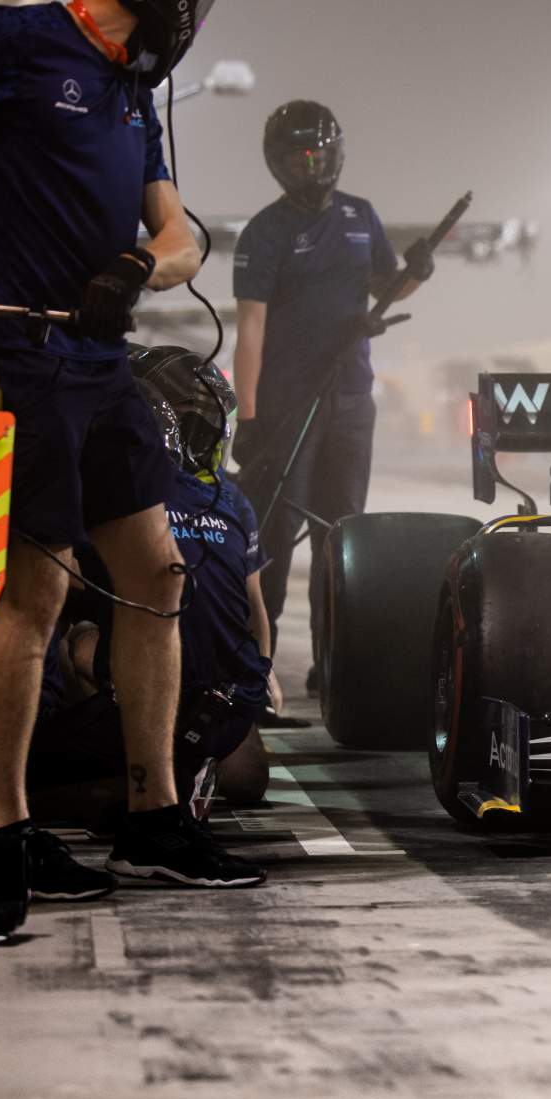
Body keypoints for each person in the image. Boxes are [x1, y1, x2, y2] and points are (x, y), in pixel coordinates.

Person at [0, 0, 261, 898]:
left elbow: (181, 234)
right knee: (36, 590)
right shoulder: (9, 41)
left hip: (101, 362)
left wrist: (142, 270)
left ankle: (151, 815)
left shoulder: (131, 91)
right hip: (23, 358)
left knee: (158, 573)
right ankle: (3, 830)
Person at [30, 346, 277, 840]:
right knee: (247, 776)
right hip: (229, 698)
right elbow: (256, 615)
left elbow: (66, 583)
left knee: (62, 628)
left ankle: (120, 772)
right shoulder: (233, 500)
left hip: (160, 684)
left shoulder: (115, 493)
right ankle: (187, 760)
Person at [231, 100, 427, 694]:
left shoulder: (360, 216)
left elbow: (386, 287)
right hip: (289, 404)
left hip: (350, 400)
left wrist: (417, 270)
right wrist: (250, 416)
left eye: (320, 152)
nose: (312, 165)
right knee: (276, 535)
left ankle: (333, 666)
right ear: (279, 162)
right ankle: (254, 666)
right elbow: (251, 330)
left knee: (341, 537)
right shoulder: (264, 232)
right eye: (299, 155)